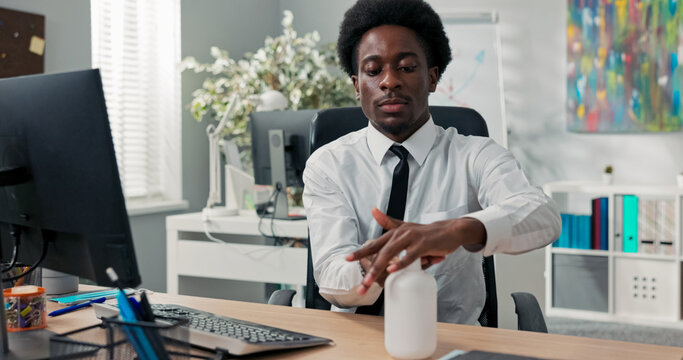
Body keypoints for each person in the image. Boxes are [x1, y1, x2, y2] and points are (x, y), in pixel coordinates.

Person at [302, 0, 561, 324]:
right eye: (373, 70)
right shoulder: (328, 165)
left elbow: (542, 214)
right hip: (358, 340)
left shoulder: (476, 155)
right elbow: (329, 275)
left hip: (450, 339)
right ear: (357, 86)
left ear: (433, 77)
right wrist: (378, 265)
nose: (389, 81)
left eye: (407, 67)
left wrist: (455, 230)